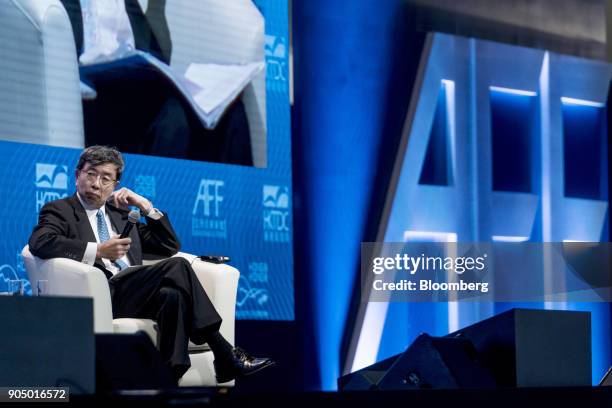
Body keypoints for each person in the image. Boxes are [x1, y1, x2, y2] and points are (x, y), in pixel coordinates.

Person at [28, 146, 272, 383]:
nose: (96, 184)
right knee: (178, 267)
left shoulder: (120, 215)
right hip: (102, 294)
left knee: (172, 295)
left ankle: (168, 378)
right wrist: (98, 250)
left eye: (106, 178)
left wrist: (146, 206)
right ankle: (224, 351)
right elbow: (40, 242)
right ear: (77, 175)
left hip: (134, 294)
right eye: (91, 174)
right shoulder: (60, 210)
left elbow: (168, 245)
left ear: (115, 185)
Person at [59, 0, 254, 165]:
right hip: (86, 96)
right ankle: (162, 204)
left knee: (231, 111)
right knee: (175, 116)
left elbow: (152, 55)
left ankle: (243, 203)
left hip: (134, 89)